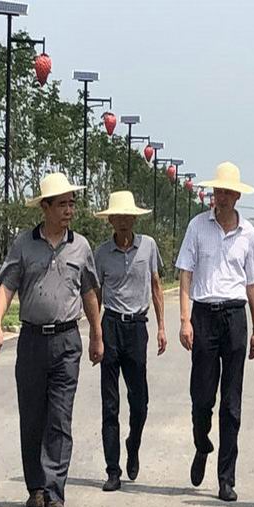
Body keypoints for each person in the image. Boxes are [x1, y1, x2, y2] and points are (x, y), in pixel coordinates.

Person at [0, 172, 103, 507]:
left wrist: (97, 334)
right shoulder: (24, 244)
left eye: (72, 203)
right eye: (62, 204)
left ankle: (55, 493)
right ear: (46, 208)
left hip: (67, 341)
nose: (69, 210)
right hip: (32, 341)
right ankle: (36, 486)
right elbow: (7, 285)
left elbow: (89, 292)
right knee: (33, 417)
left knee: (59, 418)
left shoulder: (81, 246)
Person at [175, 161, 254, 502]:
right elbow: (185, 273)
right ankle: (202, 443)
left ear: (237, 196)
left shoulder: (249, 234)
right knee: (202, 397)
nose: (221, 197)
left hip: (235, 316)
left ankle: (226, 478)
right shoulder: (198, 226)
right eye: (217, 191)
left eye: (227, 192)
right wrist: (185, 319)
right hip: (204, 315)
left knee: (231, 402)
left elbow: (253, 283)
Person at [93, 191, 167, 491]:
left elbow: (156, 286)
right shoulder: (101, 253)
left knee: (140, 402)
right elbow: (95, 295)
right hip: (111, 325)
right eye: (118, 216)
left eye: (128, 216)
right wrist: (95, 334)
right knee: (110, 404)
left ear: (134, 219)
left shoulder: (148, 246)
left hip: (137, 327)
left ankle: (133, 444)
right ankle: (113, 470)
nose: (123, 221)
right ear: (110, 220)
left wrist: (162, 327)